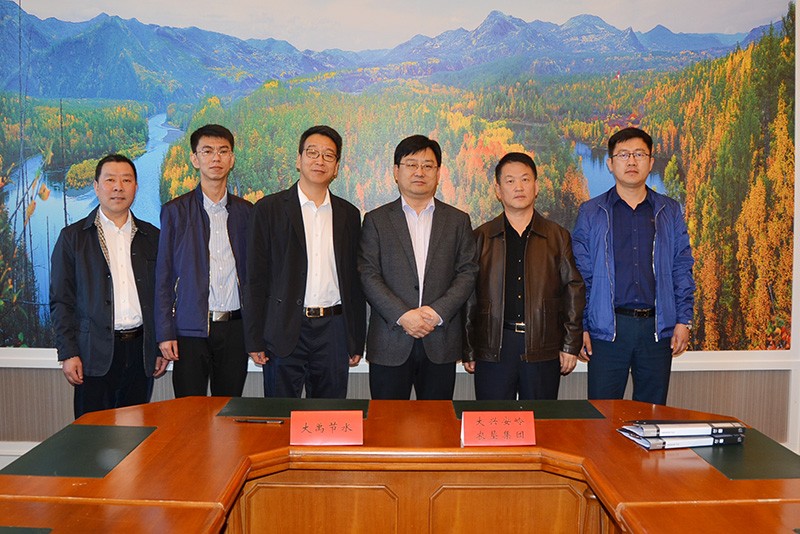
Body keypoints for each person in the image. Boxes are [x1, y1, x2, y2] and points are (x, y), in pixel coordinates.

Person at [572, 127, 695, 405]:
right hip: (607, 329)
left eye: (639, 154)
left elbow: (681, 266)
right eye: (623, 154)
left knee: (652, 413)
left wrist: (683, 320)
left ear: (650, 162)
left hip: (656, 329)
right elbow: (581, 276)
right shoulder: (591, 212)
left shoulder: (668, 210)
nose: (631, 161)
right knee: (602, 415)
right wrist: (582, 326)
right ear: (610, 163)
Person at [243, 125, 366, 398]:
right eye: (312, 153)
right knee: (281, 413)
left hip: (334, 330)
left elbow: (354, 281)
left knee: (329, 415)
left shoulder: (348, 214)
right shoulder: (269, 209)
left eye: (328, 155)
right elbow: (254, 278)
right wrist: (254, 338)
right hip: (284, 327)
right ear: (298, 160)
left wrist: (356, 338)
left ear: (336, 167)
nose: (320, 160)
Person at [358, 134, 478, 400]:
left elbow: (467, 273)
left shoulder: (458, 221)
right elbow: (368, 275)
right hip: (390, 340)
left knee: (437, 421)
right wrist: (403, 315)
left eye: (427, 165)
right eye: (411, 164)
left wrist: (437, 312)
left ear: (438, 173)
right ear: (396, 171)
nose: (419, 172)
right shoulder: (376, 220)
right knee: (387, 422)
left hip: (440, 340)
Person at [50, 154, 165, 418]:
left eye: (126, 180)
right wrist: (68, 353)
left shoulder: (152, 236)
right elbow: (61, 301)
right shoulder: (73, 238)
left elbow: (162, 297)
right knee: (93, 433)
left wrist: (158, 346)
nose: (118, 187)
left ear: (136, 187)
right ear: (96, 186)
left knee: (135, 431)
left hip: (140, 352)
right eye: (110, 180)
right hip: (93, 353)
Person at [463, 152, 585, 400]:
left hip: (543, 344)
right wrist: (469, 348)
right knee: (494, 419)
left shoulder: (557, 236)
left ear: (536, 186)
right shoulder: (481, 237)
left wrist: (570, 344)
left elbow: (573, 289)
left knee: (541, 418)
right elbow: (469, 297)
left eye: (525, 179)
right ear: (498, 190)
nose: (518, 187)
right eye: (510, 181)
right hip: (494, 345)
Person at [155, 124, 252, 397]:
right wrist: (165, 332)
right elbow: (163, 278)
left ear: (232, 159)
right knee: (189, 411)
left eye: (223, 151)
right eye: (207, 151)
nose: (215, 158)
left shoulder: (247, 213)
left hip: (235, 328)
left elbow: (256, 277)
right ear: (195, 159)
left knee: (228, 409)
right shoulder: (175, 212)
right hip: (190, 329)